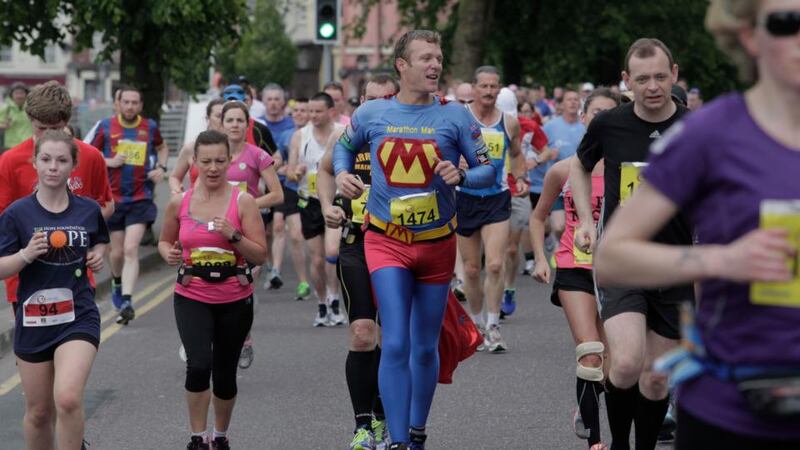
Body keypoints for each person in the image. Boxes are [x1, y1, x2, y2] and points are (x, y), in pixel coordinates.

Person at [594, 1, 800, 448]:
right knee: (631, 367)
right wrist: (723, 258)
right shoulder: (710, 133)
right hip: (739, 402)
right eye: (788, 23)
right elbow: (611, 257)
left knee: (653, 379)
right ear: (749, 36)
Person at [333, 29, 495, 449]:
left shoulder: (455, 116)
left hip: (438, 242)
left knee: (425, 348)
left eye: (438, 57)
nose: (435, 65)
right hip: (385, 240)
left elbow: (488, 169)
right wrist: (342, 174)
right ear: (402, 66)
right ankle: (399, 440)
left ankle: (418, 431)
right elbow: (343, 149)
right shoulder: (372, 113)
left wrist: (461, 174)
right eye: (425, 58)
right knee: (397, 341)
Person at [570, 38, 694, 450]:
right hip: (621, 261)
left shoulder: (695, 129)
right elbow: (580, 165)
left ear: (674, 74)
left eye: (661, 76)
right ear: (627, 81)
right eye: (643, 79)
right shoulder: (610, 124)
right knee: (624, 364)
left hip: (675, 264)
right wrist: (587, 221)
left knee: (656, 378)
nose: (653, 86)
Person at [158, 129, 267, 450]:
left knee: (224, 374)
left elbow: (260, 254)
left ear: (230, 160)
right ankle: (197, 437)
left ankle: (219, 436)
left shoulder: (243, 201)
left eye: (220, 160)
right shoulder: (179, 202)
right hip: (192, 295)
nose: (213, 168)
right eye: (206, 161)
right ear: (194, 162)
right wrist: (170, 254)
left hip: (235, 297)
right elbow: (165, 242)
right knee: (198, 365)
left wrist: (234, 235)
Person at [0, 130, 109, 450]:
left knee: (68, 398)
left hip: (78, 314)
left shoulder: (87, 210)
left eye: (62, 160)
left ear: (73, 166)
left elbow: (101, 238)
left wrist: (98, 254)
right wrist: (25, 255)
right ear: (34, 162)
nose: (53, 167)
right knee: (38, 412)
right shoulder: (16, 214)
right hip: (34, 318)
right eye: (46, 159)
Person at [531, 88, 621, 450]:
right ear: (584, 118)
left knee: (616, 368)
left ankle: (610, 428)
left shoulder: (628, 170)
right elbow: (538, 218)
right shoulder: (564, 169)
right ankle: (596, 443)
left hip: (617, 270)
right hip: (574, 266)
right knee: (591, 352)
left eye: (608, 114)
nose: (600, 120)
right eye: (595, 113)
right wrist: (540, 257)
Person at [319, 74, 399, 450]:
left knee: (392, 338)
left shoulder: (409, 136)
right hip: (356, 244)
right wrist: (328, 207)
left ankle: (386, 417)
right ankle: (363, 425)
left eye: (386, 98)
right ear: (360, 102)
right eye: (371, 99)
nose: (377, 104)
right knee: (363, 333)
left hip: (399, 246)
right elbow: (322, 171)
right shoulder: (347, 137)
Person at [0, 81, 114, 317]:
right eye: (41, 128)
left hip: (76, 277)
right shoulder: (10, 161)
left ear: (67, 123)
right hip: (26, 280)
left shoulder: (90, 156)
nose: (49, 136)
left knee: (75, 346)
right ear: (30, 119)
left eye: (57, 128)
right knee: (36, 352)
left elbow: (106, 206)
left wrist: (80, 231)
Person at [457, 66, 528, 353]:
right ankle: (475, 325)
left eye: (493, 86)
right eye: (483, 86)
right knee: (472, 270)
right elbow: (442, 147)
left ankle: (494, 325)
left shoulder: (509, 123)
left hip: (497, 197)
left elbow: (516, 154)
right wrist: (454, 161)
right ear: (473, 88)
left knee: (495, 264)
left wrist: (521, 178)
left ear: (499, 89)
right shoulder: (461, 118)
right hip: (465, 197)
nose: (488, 92)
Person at [92, 85, 169, 325]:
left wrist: (161, 168)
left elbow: (162, 147)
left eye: (135, 102)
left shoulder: (150, 127)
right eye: (126, 102)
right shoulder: (105, 126)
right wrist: (110, 160)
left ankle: (126, 299)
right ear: (118, 103)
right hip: (113, 200)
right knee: (115, 253)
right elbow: (89, 155)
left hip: (140, 198)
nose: (130, 106)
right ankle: (116, 282)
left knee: (130, 249)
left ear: (141, 105)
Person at [288, 92, 345, 326]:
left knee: (333, 252)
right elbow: (289, 173)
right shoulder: (300, 136)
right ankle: (322, 302)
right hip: (310, 202)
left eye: (318, 111)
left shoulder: (341, 133)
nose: (312, 115)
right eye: (310, 111)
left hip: (336, 201)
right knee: (318, 260)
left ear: (331, 111)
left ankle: (335, 298)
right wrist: (296, 172)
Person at [261, 84, 298, 290]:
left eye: (277, 99)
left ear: (283, 102)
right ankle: (268, 264)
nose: (274, 103)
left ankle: (276, 269)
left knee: (277, 226)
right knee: (265, 231)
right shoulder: (258, 126)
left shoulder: (291, 126)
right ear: (264, 102)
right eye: (270, 99)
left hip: (284, 184)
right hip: (262, 185)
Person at [169, 99, 226, 194]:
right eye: (219, 116)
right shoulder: (191, 148)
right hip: (196, 205)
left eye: (226, 117)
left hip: (229, 206)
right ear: (208, 119)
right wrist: (176, 189)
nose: (223, 121)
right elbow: (175, 177)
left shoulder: (236, 149)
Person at [0, 82, 33, 150]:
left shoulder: (32, 109)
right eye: (16, 93)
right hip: (11, 146)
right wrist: (4, 126)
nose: (19, 96)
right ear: (11, 95)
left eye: (21, 93)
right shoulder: (5, 109)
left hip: (29, 145)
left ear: (26, 95)